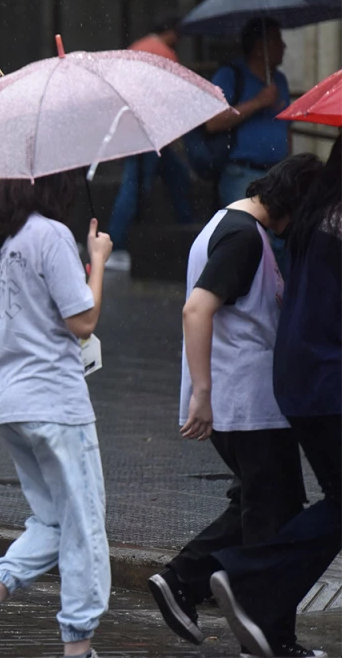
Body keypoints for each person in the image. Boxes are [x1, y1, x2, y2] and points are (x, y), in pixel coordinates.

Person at [147, 153, 324, 654]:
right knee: (278, 516)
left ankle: (184, 578)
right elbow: (197, 308)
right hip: (245, 403)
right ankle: (268, 635)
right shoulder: (245, 236)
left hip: (246, 401)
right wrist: (202, 393)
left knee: (263, 502)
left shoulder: (233, 226)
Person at [0, 172, 113, 658]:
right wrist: (98, 261)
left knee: (53, 520)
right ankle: (78, 646)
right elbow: (82, 321)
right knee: (85, 526)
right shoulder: (51, 235)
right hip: (56, 401)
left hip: (7, 403)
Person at [209, 138, 340, 658]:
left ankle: (261, 608)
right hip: (327, 381)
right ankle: (247, 574)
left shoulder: (318, 216)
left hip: (302, 377)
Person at [106, 15, 193, 272]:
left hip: (132, 127)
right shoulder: (165, 54)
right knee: (134, 185)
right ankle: (117, 244)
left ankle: (186, 231)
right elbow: (171, 97)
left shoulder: (137, 47)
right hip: (150, 130)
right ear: (172, 33)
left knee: (174, 177)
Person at [206, 17, 291, 208]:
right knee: (249, 233)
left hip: (278, 175)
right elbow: (213, 122)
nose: (283, 46)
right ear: (259, 47)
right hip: (243, 174)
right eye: (276, 39)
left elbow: (286, 127)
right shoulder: (230, 75)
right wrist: (258, 102)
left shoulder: (279, 80)